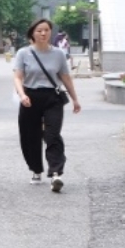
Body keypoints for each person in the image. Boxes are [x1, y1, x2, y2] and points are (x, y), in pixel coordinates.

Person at [12, 18, 82, 192]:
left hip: (52, 97)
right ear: (32, 34)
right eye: (39, 31)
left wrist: (75, 98)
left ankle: (56, 173)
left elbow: (65, 77)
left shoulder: (58, 54)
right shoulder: (24, 53)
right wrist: (22, 95)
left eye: (46, 30)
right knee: (30, 136)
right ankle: (36, 169)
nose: (43, 33)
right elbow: (18, 77)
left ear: (51, 32)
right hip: (30, 97)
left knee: (52, 134)